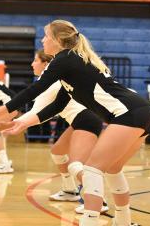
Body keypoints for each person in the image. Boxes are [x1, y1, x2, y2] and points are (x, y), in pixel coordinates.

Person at [0, 20, 150, 226]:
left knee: (93, 169)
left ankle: (90, 222)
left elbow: (33, 90)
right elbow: (58, 105)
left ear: (58, 40)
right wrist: (22, 123)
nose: (42, 40)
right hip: (142, 112)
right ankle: (123, 222)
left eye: (46, 36)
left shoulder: (64, 59)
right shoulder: (74, 62)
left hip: (128, 113)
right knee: (112, 169)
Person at [6, 49, 109, 213]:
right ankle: (69, 191)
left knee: (76, 165)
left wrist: (6, 122)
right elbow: (42, 113)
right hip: (79, 120)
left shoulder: (51, 84)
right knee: (58, 152)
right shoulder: (54, 82)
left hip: (87, 120)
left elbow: (36, 113)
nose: (32, 64)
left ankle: (99, 200)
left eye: (35, 60)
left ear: (46, 64)